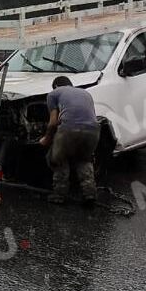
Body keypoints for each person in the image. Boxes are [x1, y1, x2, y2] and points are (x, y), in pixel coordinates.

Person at [38, 76, 100, 205]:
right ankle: (89, 194)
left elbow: (53, 123)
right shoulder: (86, 93)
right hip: (93, 130)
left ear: (55, 86)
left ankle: (59, 195)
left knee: (58, 159)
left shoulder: (53, 94)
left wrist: (46, 138)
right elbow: (89, 115)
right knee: (84, 159)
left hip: (69, 129)